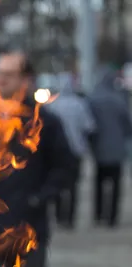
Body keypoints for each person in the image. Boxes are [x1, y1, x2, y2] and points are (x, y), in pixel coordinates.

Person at [0, 51, 75, 266]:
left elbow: (65, 167)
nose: (0, 79)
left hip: (27, 228)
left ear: (26, 80)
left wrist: (37, 199)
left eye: (8, 74)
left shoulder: (44, 123)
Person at [46, 72, 96, 229]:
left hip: (57, 153)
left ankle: (60, 216)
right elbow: (89, 126)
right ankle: (70, 218)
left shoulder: (52, 105)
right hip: (76, 151)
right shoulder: (79, 104)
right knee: (73, 186)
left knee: (58, 184)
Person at [88, 66, 132, 228]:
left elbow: (89, 125)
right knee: (116, 185)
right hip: (117, 150)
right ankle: (112, 217)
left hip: (99, 149)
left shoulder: (93, 99)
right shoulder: (119, 99)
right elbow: (128, 124)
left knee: (99, 183)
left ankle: (99, 214)